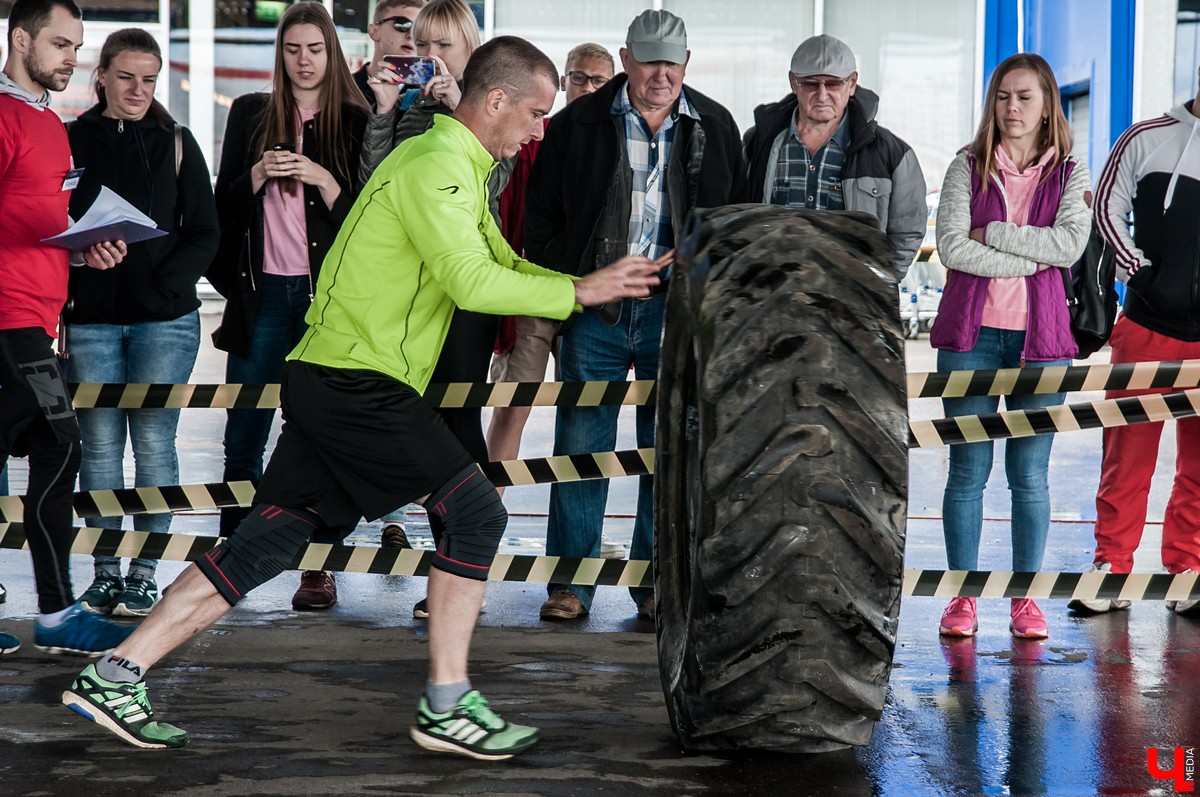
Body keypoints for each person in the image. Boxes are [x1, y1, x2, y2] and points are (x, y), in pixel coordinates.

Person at [61, 36, 662, 759]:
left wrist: (593, 277)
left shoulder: (457, 164)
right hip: (355, 382)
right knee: (475, 511)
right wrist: (583, 289)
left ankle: (117, 671)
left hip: (335, 377)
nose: (540, 128)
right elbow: (471, 282)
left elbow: (501, 260)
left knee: (270, 538)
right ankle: (446, 703)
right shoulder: (438, 165)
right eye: (535, 112)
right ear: (496, 101)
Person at [525, 9, 747, 622]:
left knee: (667, 449)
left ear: (686, 64)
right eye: (648, 61)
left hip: (674, 311)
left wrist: (705, 278)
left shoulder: (716, 127)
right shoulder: (575, 125)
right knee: (580, 445)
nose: (659, 75)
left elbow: (735, 221)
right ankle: (571, 585)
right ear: (625, 60)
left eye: (670, 64)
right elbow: (539, 219)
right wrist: (571, 286)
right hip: (596, 309)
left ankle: (655, 586)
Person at [204, 2, 368, 611]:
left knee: (316, 433)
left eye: (314, 49)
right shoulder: (250, 112)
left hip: (325, 300)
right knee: (243, 431)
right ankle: (230, 556)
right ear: (281, 55)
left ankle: (315, 566)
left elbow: (368, 224)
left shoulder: (355, 119)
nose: (303, 61)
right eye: (293, 50)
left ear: (332, 53)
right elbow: (219, 210)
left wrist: (323, 180)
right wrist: (255, 176)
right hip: (264, 293)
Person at [929, 53, 1090, 639]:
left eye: (1024, 97)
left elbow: (1070, 245)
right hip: (970, 339)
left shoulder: (1071, 174)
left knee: (1031, 475)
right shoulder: (964, 167)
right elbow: (952, 247)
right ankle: (963, 599)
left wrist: (993, 232)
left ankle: (1027, 599)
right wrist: (1033, 251)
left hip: (1042, 341)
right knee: (966, 471)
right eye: (1003, 96)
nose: (1012, 107)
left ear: (1047, 104)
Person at [65, 28, 219, 618]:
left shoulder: (176, 141)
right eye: (125, 77)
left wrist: (164, 286)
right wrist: (83, 256)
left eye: (149, 79)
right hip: (94, 321)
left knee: (155, 444)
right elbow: (54, 219)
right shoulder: (72, 140)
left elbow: (205, 229)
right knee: (99, 447)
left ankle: (145, 572)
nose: (138, 90)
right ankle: (106, 572)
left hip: (164, 322)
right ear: (100, 75)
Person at [1, 0, 134, 655]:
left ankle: (57, 614)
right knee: (63, 444)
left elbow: (39, 220)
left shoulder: (50, 124)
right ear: (20, 38)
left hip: (36, 315)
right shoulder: (1, 116)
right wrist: (54, 232)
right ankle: (56, 612)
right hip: (5, 318)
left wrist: (82, 248)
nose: (70, 58)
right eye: (58, 43)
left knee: (59, 450)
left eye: (76, 45)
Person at [1071, 70, 1200, 618]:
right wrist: (1139, 273)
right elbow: (1105, 208)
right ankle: (1113, 564)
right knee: (1128, 452)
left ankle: (1189, 565)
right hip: (1147, 323)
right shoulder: (1147, 136)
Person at [486, 42, 615, 480]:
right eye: (578, 77)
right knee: (513, 406)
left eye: (598, 80)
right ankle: (485, 520)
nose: (587, 87)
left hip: (588, 294)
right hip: (534, 290)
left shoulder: (617, 142)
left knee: (587, 417)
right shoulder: (536, 133)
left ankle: (580, 538)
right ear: (564, 81)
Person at [743, 33, 926, 278]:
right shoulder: (758, 143)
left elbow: (907, 231)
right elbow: (738, 218)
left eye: (833, 84)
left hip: (850, 306)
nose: (822, 95)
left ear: (852, 84)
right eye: (810, 83)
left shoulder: (892, 154)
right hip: (772, 301)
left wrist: (878, 286)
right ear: (793, 82)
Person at [352, 0, 425, 110]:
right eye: (402, 24)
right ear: (373, 32)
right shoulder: (344, 88)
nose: (411, 35)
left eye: (419, 29)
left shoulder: (427, 95)